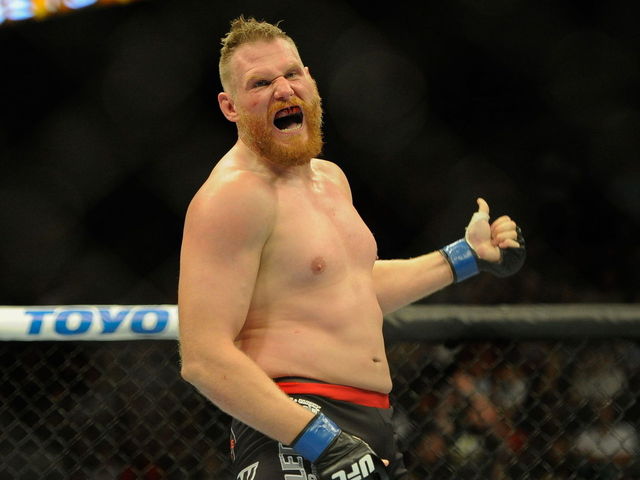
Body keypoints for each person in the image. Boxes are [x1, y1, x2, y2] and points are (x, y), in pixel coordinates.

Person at [177, 15, 525, 480]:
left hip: (371, 420)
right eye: (260, 83)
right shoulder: (232, 196)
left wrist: (465, 256)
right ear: (230, 106)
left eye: (292, 73)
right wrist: (317, 438)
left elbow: (353, 286)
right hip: (292, 425)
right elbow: (203, 357)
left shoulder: (330, 178)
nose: (283, 90)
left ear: (311, 81)